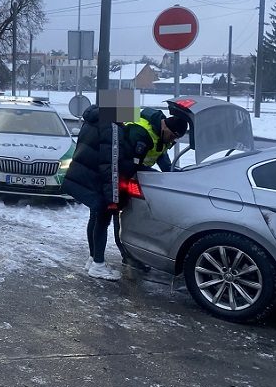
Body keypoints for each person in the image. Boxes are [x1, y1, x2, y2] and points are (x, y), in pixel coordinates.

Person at [61, 105, 187, 280]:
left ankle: (94, 259)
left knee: (98, 217)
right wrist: (112, 193)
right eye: (172, 136)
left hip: (95, 176)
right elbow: (114, 162)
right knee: (103, 218)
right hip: (104, 179)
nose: (127, 122)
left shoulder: (107, 121)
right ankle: (98, 264)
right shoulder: (121, 131)